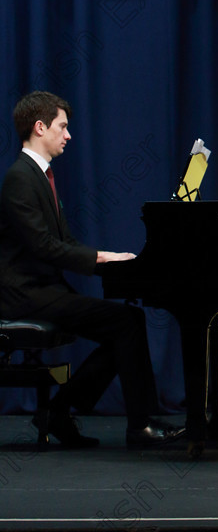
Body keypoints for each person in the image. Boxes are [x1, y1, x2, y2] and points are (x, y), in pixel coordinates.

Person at [0, 91, 185, 449]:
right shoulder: (20, 178)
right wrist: (103, 258)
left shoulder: (40, 177)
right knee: (126, 323)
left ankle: (59, 411)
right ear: (40, 127)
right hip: (23, 295)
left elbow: (63, 244)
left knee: (126, 324)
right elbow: (44, 248)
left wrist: (118, 263)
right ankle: (137, 424)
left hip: (42, 290)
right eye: (62, 127)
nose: (68, 135)